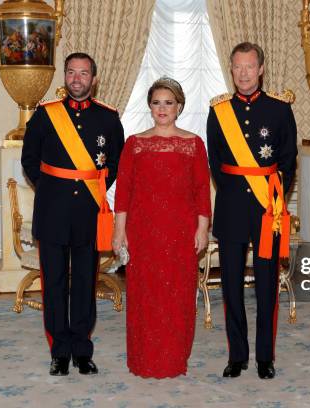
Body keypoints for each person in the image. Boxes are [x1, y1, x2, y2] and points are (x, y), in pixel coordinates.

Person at [21, 52, 124, 376]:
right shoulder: (45, 115)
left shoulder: (108, 118)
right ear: (64, 77)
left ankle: (82, 350)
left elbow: (116, 163)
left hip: (88, 214)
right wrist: (52, 188)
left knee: (84, 282)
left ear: (94, 79)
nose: (77, 78)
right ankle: (59, 351)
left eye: (83, 73)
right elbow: (29, 160)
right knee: (52, 284)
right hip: (52, 213)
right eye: (71, 72)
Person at [207, 42, 297, 379]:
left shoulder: (279, 109)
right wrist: (233, 192)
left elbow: (287, 160)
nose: (243, 73)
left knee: (266, 284)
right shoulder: (218, 112)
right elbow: (216, 162)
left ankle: (264, 357)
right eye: (237, 67)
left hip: (267, 209)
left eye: (250, 66)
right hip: (231, 208)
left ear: (261, 69)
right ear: (231, 69)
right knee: (230, 286)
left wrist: (274, 197)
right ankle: (237, 355)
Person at [112, 77, 211, 378]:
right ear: (150, 107)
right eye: (157, 103)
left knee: (177, 297)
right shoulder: (135, 145)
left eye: (168, 102)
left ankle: (174, 359)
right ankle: (144, 359)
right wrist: (119, 232)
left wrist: (202, 229)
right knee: (146, 296)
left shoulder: (194, 144)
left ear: (179, 106)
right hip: (143, 233)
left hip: (181, 232)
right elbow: (124, 192)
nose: (162, 108)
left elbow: (202, 192)